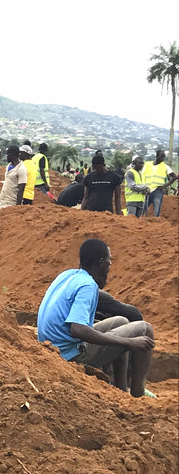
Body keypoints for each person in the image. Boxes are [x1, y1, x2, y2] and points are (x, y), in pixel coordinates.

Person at [36, 238, 155, 397]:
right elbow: (77, 329)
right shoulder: (88, 286)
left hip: (52, 346)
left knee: (122, 322)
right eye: (108, 261)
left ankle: (121, 389)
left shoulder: (68, 275)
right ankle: (138, 393)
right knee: (145, 330)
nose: (110, 266)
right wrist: (129, 342)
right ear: (100, 263)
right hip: (70, 355)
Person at [143, 149, 176, 217]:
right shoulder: (147, 165)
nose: (163, 158)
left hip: (157, 191)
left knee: (156, 211)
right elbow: (141, 175)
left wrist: (165, 186)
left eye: (164, 157)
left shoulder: (165, 166)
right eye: (161, 156)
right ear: (156, 156)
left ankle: (156, 225)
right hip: (147, 190)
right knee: (142, 209)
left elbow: (174, 176)